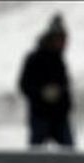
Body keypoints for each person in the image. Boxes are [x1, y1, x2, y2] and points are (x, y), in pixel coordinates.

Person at [18, 14, 74, 149]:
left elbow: (64, 87)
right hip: (40, 116)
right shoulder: (34, 59)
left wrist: (66, 104)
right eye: (61, 40)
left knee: (70, 156)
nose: (63, 43)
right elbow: (24, 85)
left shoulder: (59, 61)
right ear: (52, 39)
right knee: (36, 156)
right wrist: (42, 93)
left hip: (59, 116)